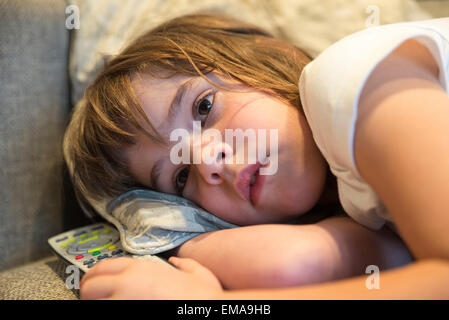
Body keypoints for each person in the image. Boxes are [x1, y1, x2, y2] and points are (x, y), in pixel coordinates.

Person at [64, 13, 449, 299]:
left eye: (203, 107)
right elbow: (291, 263)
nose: (209, 163)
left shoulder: (349, 81)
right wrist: (181, 243)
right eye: (181, 178)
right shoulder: (349, 205)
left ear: (270, 55)